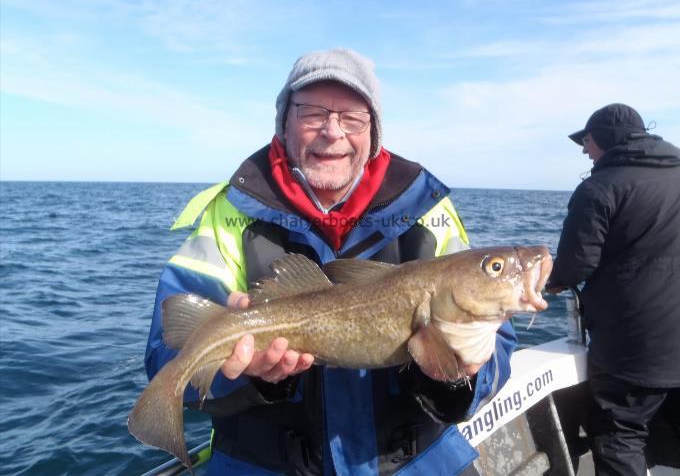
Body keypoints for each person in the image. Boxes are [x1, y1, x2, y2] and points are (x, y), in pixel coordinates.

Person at [144, 48, 517, 475]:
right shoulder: (226, 216)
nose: (333, 131)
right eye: (312, 113)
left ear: (373, 131)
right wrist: (248, 375)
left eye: (353, 117)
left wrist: (463, 372)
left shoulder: (430, 213)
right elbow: (166, 351)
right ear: (285, 123)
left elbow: (499, 344)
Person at [547, 103, 680, 475]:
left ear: (605, 139)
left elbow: (575, 266)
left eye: (586, 141)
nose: (585, 150)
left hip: (634, 345)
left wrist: (545, 281)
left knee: (618, 433)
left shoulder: (599, 188)